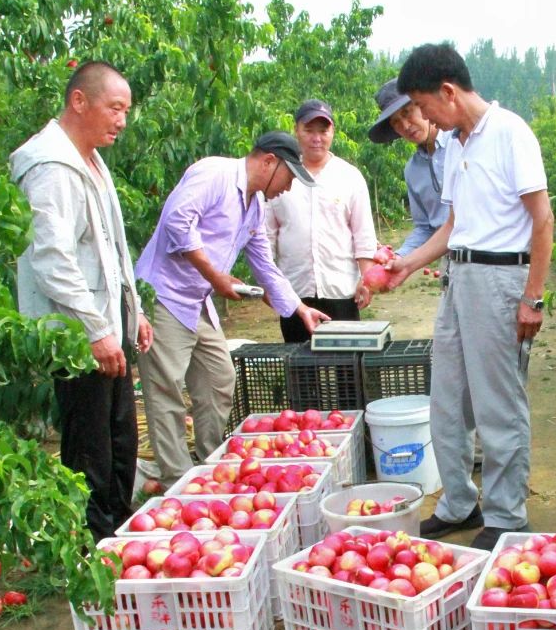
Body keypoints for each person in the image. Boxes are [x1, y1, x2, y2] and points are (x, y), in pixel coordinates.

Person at [383, 44, 555, 551]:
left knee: (498, 403)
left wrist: (534, 297)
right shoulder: (456, 144)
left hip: (500, 281)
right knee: (448, 398)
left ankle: (507, 514)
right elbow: (454, 225)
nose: (425, 118)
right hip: (458, 278)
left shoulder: (510, 134)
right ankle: (460, 502)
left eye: (424, 105)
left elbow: (542, 220)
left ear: (448, 93)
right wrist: (408, 263)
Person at [134, 132, 330, 489]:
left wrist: (299, 308)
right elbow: (177, 222)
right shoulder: (214, 174)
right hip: (165, 297)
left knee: (219, 377)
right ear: (269, 162)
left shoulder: (254, 207)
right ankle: (178, 480)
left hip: (197, 301)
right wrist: (216, 276)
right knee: (166, 392)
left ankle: (210, 464)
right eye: (288, 177)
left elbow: (264, 266)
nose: (287, 188)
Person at [10, 61, 154, 540]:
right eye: (115, 108)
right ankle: (92, 548)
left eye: (125, 110)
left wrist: (133, 312)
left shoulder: (89, 159)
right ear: (79, 101)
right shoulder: (52, 166)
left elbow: (109, 249)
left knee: (119, 440)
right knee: (90, 448)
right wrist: (95, 331)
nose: (122, 120)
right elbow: (53, 260)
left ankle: (117, 535)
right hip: (78, 339)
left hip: (107, 328)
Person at [265, 99, 377, 342]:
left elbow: (363, 234)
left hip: (341, 291)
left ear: (333, 132)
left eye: (323, 131)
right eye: (309, 130)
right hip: (295, 293)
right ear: (297, 131)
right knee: (302, 370)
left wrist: (367, 280)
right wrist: (269, 283)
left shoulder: (349, 177)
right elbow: (267, 236)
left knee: (347, 370)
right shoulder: (281, 176)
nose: (317, 138)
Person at [368, 79, 452, 253]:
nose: (405, 126)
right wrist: (399, 257)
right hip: (451, 263)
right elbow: (425, 227)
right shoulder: (413, 170)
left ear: (422, 106)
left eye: (407, 113)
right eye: (396, 122)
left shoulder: (460, 144)